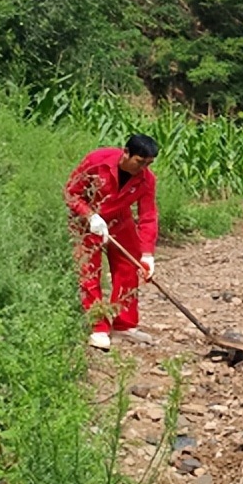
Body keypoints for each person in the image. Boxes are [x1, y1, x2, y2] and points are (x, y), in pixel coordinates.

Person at [64, 134, 159, 351]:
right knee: (89, 271)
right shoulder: (97, 160)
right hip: (85, 222)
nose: (143, 168)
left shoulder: (147, 180)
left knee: (129, 265)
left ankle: (124, 324)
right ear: (126, 153)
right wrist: (89, 215)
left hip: (119, 219)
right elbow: (71, 193)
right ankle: (98, 326)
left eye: (148, 164)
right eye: (140, 161)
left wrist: (147, 254)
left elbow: (148, 216)